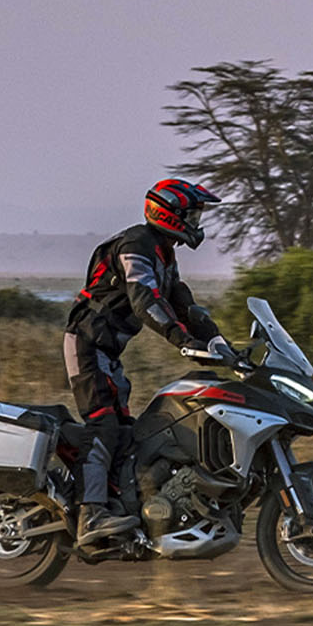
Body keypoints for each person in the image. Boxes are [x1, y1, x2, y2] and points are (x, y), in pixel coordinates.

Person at [62, 178, 236, 548]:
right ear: (169, 213)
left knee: (129, 432)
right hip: (87, 344)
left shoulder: (163, 253)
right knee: (103, 424)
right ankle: (90, 513)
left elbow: (183, 303)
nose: (196, 220)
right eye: (191, 213)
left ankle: (124, 508)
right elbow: (146, 300)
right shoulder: (136, 245)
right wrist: (181, 341)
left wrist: (221, 343)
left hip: (107, 352)